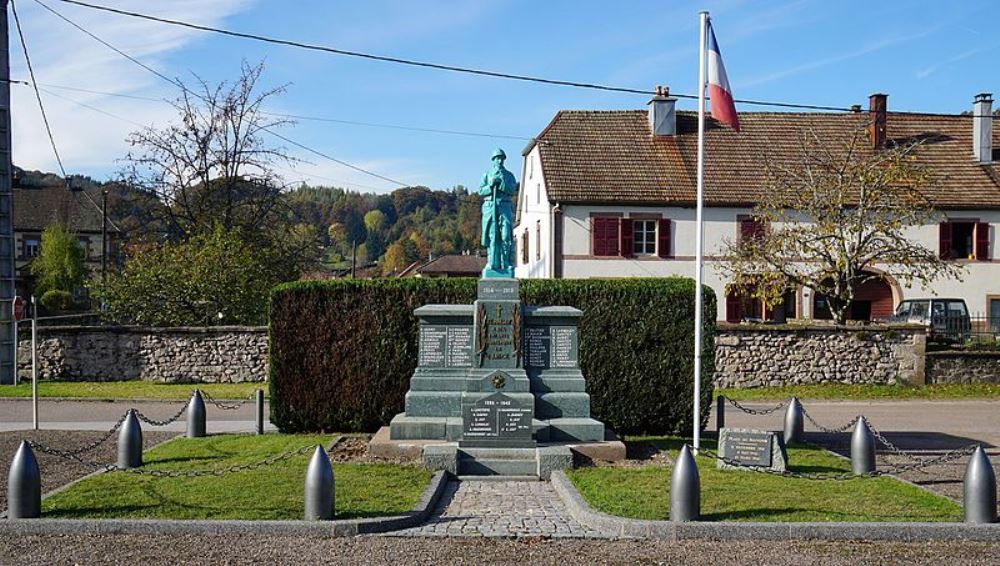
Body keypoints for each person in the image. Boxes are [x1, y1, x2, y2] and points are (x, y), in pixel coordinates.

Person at [478, 148, 518, 277]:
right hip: (490, 206)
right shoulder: (487, 174)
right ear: (493, 160)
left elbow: (512, 189)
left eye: (502, 158)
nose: (500, 161)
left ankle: (506, 263)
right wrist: (490, 186)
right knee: (492, 235)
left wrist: (502, 184)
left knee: (506, 235)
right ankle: (492, 262)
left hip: (504, 205)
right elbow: (480, 191)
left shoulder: (509, 175)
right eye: (497, 158)